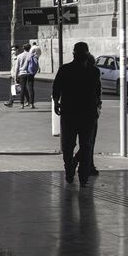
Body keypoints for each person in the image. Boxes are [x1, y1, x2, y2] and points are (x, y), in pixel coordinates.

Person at [52, 41, 104, 184]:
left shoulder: (65, 69)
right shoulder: (94, 71)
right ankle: (83, 176)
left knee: (68, 145)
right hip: (88, 113)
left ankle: (70, 170)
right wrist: (98, 106)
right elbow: (98, 92)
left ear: (74, 54)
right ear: (88, 55)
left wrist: (56, 102)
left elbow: (56, 88)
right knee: (86, 145)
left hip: (69, 112)